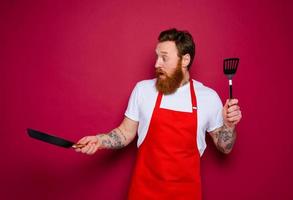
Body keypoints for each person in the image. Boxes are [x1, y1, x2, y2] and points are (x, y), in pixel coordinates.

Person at [74, 28, 242, 199]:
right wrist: (98, 140)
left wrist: (229, 126)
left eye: (164, 57)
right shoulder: (143, 89)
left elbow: (224, 147)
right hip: (143, 192)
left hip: (186, 194)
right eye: (157, 56)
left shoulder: (208, 97)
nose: (156, 64)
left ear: (185, 60)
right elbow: (125, 133)